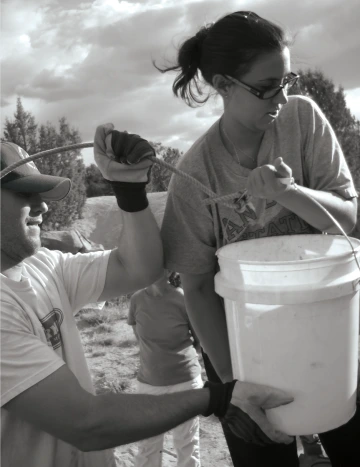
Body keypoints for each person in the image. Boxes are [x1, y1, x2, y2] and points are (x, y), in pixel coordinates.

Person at [0, 129, 295, 467]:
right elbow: (86, 423)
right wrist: (215, 399)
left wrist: (129, 189)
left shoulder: (42, 267)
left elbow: (138, 268)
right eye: (23, 193)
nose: (42, 205)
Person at [157, 10, 360, 467]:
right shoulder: (195, 175)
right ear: (223, 84)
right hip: (244, 346)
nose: (282, 97)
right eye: (267, 87)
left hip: (327, 325)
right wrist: (235, 385)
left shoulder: (302, 120)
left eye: (288, 80)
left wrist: (290, 193)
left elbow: (346, 221)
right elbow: (197, 288)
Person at [128, 269, 202, 466]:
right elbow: (140, 338)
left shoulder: (183, 298)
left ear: (169, 270)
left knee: (187, 444)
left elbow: (199, 339)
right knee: (147, 446)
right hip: (149, 382)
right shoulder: (136, 299)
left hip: (185, 381)